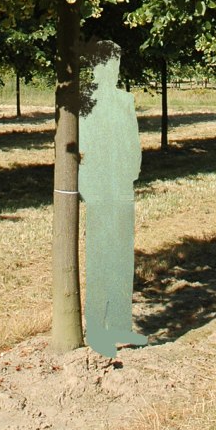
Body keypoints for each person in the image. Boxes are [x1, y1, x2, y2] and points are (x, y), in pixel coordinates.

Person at [78, 40, 148, 357]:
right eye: (108, 63)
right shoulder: (83, 102)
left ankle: (120, 324)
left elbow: (132, 142)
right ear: (95, 67)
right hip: (98, 188)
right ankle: (96, 330)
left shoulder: (125, 100)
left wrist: (131, 173)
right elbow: (81, 148)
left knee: (121, 257)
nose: (113, 70)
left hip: (122, 187)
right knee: (99, 258)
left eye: (117, 63)